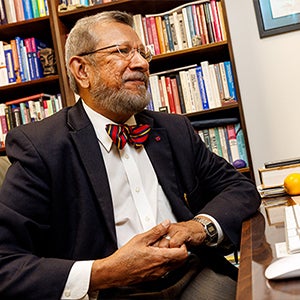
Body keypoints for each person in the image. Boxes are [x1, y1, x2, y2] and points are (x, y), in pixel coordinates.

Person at [0, 10, 261, 300]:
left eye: (142, 53)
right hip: (108, 293)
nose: (141, 63)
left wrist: (197, 228)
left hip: (194, 276)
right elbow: (6, 264)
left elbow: (240, 189)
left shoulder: (174, 129)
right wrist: (104, 271)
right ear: (82, 70)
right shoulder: (39, 146)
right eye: (122, 51)